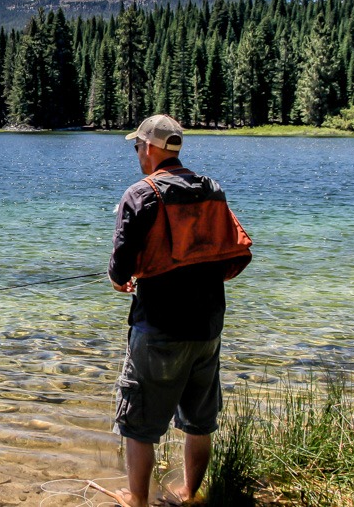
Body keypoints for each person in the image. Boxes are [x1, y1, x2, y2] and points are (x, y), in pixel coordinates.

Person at [107, 114, 252, 507]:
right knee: (198, 421)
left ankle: (136, 500)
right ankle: (189, 493)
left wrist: (120, 279)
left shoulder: (139, 194)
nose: (137, 153)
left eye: (138, 146)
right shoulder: (212, 189)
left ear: (151, 148)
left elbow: (121, 266)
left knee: (138, 426)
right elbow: (236, 253)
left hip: (158, 328)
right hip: (208, 326)